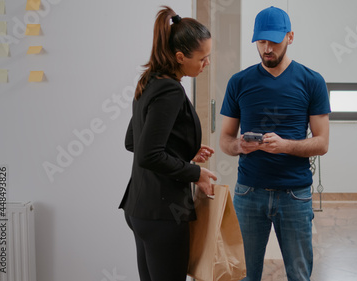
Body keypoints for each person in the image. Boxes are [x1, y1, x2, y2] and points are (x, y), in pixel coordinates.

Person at [219, 6, 331, 281]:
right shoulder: (239, 82)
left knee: (299, 275)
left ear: (290, 37)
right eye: (261, 42)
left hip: (295, 194)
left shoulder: (312, 81)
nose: (267, 48)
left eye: (274, 41)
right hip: (248, 193)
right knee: (244, 275)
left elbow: (322, 143)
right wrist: (240, 147)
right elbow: (225, 140)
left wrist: (285, 146)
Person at [119, 6, 217, 281]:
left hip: (140, 210)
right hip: (163, 213)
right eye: (202, 58)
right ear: (180, 57)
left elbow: (134, 142)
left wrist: (186, 151)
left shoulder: (149, 82)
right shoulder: (171, 90)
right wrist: (196, 173)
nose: (206, 63)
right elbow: (147, 154)